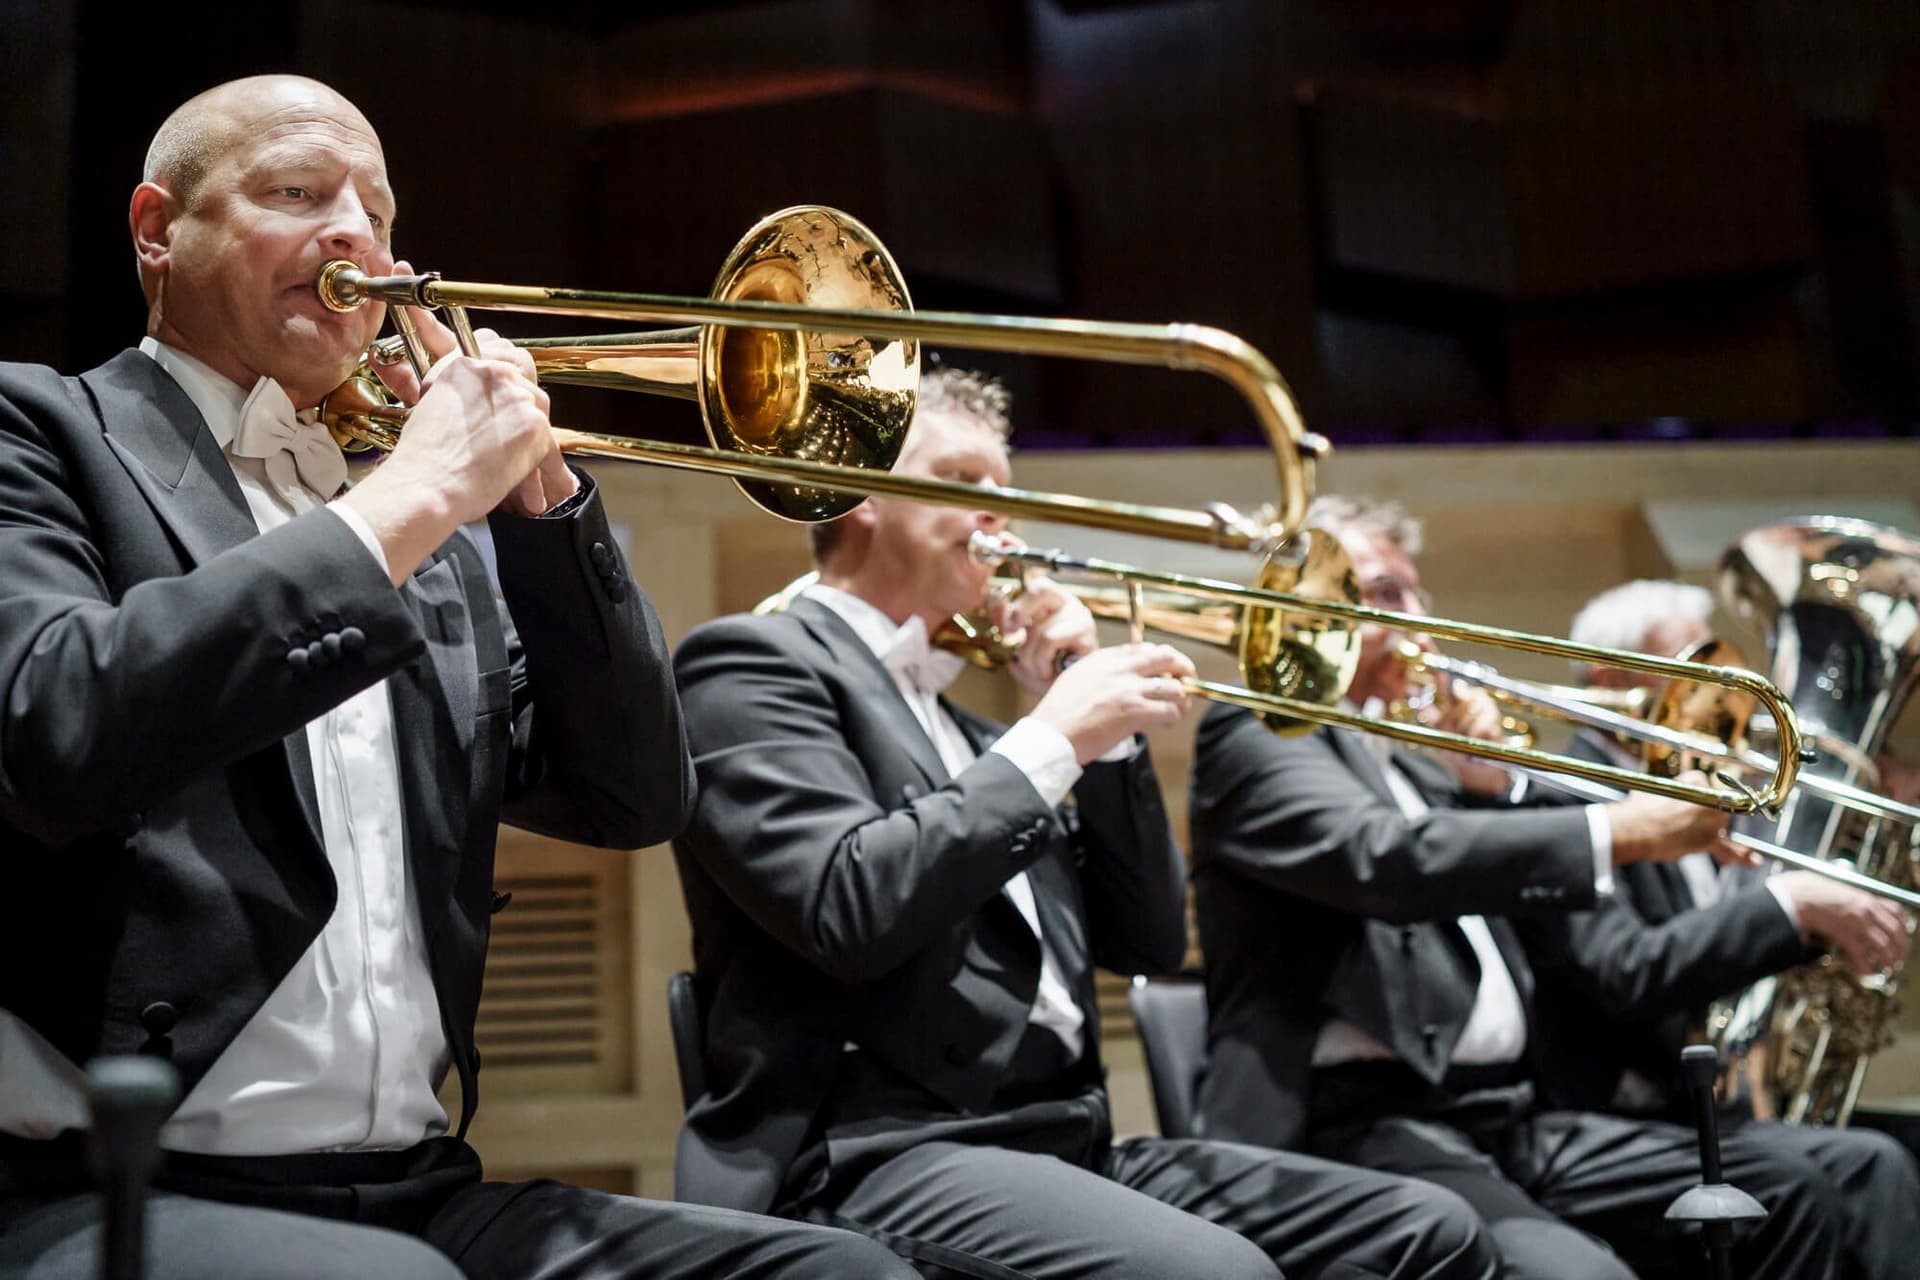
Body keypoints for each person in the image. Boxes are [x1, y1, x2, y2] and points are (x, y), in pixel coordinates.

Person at [0, 75, 917, 1280]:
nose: (355, 237)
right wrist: (415, 495)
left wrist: (545, 509)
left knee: (843, 1275)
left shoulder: (416, 548)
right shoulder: (43, 434)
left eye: (376, 212)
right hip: (111, 1188)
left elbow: (634, 796)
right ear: (156, 229)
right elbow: (55, 725)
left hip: (417, 1182)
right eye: (295, 190)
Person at [669, 371, 1498, 1280]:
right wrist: (1055, 738)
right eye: (968, 485)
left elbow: (1142, 935)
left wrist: (1102, 745)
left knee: (1430, 1230)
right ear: (862, 491)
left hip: (1064, 1136)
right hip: (868, 1148)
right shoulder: (750, 665)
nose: (1003, 519)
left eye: (1007, 494)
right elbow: (845, 908)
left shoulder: (984, 738)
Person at [1188, 495, 1859, 1280]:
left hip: (1506, 1115)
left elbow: (1499, 877)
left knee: (1789, 1190)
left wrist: (1494, 784)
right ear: (1301, 605)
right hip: (1352, 1119)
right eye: (1381, 592)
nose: (1415, 616)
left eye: (1415, 593)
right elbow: (1385, 861)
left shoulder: (1411, 765)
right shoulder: (1255, 729)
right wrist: (1623, 828)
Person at [1531, 578, 1920, 1277]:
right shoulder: (1563, 792)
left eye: (1721, 663)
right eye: (1691, 661)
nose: (1725, 689)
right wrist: (1791, 907)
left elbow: (1741, 930)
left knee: (1898, 1149)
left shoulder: (1706, 788)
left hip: (1715, 1101)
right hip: (1622, 1108)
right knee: (1859, 1170)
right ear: (1607, 672)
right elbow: (1624, 972)